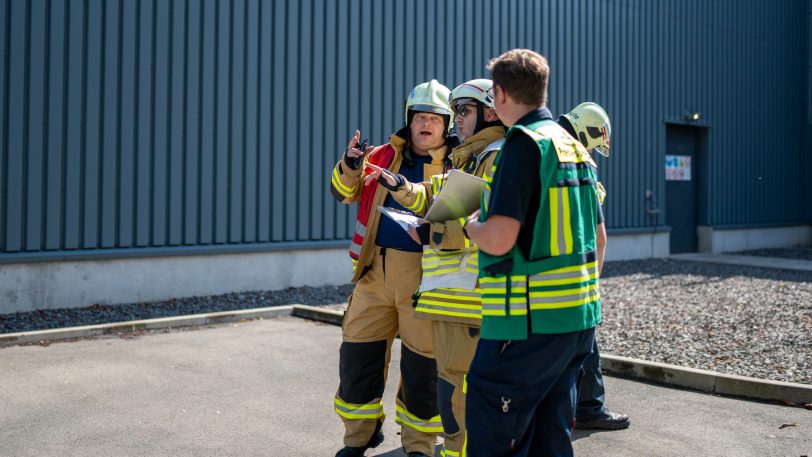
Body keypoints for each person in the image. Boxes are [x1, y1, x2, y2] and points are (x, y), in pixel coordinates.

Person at [461, 49, 601, 456]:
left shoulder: (523, 145)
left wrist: (472, 226)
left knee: (493, 423)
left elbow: (501, 238)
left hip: (526, 324)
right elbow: (599, 236)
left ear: (500, 94)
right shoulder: (574, 148)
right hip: (579, 320)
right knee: (550, 435)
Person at [368, 78, 506, 457]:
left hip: (474, 304)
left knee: (460, 396)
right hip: (454, 301)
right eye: (456, 111)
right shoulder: (471, 156)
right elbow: (437, 194)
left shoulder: (496, 155)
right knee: (451, 393)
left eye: (463, 111)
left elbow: (493, 221)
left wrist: (432, 230)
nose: (455, 120)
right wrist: (400, 186)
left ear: (490, 112)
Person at [329, 80, 454, 457]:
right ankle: (359, 437)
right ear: (408, 120)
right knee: (358, 357)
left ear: (446, 124)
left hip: (426, 280)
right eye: (419, 117)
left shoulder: (458, 164)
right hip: (374, 274)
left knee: (423, 368)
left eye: (434, 118)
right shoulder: (382, 155)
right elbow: (342, 191)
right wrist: (350, 165)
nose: (426, 125)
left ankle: (418, 446)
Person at [558, 102, 630, 431]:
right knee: (583, 347)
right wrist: (593, 284)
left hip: (540, 275)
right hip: (572, 276)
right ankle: (588, 408)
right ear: (588, 135)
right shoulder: (577, 159)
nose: (595, 154)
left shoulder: (543, 146)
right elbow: (599, 237)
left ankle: (580, 407)